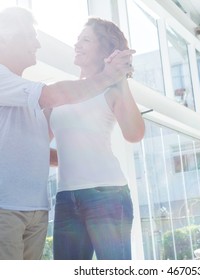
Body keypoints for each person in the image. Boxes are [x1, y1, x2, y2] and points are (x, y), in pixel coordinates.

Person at [0, 7, 134, 260]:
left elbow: (39, 151)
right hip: (1, 208)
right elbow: (53, 94)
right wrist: (109, 76)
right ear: (3, 39)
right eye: (30, 36)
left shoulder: (26, 97)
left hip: (36, 210)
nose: (37, 43)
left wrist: (83, 160)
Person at [49, 17, 145, 260]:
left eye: (85, 40)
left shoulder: (111, 90)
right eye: (78, 39)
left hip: (108, 195)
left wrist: (119, 78)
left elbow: (134, 134)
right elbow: (40, 147)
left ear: (104, 50)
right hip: (66, 197)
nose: (77, 44)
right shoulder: (61, 92)